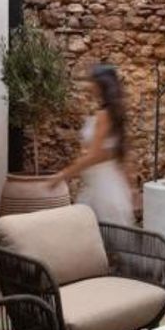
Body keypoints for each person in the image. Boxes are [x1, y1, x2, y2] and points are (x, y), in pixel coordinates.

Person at [49, 64, 135, 225]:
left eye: (92, 81)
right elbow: (119, 156)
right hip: (108, 186)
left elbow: (95, 155)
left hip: (102, 190)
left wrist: (63, 175)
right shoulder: (113, 114)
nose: (89, 86)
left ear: (101, 85)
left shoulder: (104, 115)